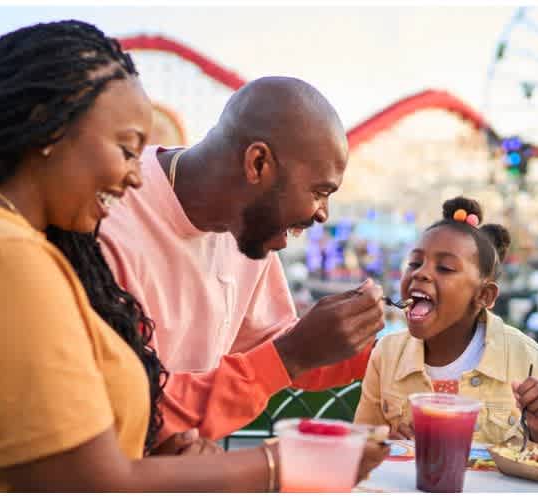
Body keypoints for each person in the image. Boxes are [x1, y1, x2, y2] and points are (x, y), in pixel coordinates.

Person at [0, 20, 383, 492]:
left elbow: (104, 433)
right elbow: (82, 481)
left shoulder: (10, 244)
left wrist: (165, 453)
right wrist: (283, 464)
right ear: (48, 131)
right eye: (126, 149)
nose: (138, 175)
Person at [97, 76, 386, 442]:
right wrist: (290, 354)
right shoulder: (109, 226)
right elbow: (130, 418)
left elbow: (271, 346)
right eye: (319, 191)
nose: (322, 214)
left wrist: (394, 350)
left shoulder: (248, 228)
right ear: (258, 163)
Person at [353, 197, 538, 451]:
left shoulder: (529, 359)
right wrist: (388, 446)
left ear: (484, 296)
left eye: (445, 268)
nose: (420, 273)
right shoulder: (387, 354)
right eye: (415, 263)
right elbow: (364, 443)